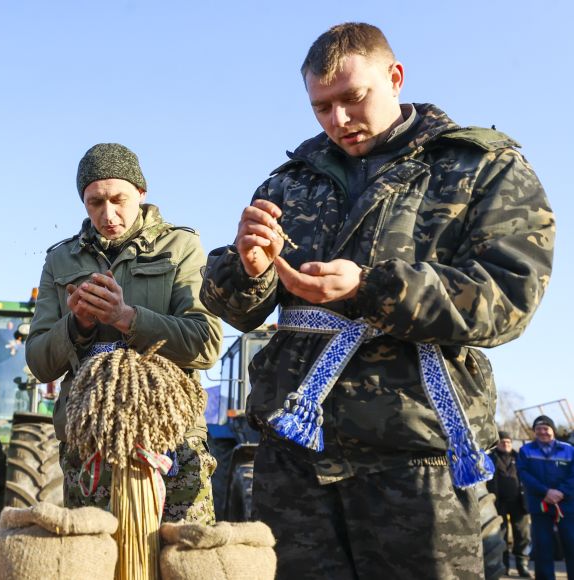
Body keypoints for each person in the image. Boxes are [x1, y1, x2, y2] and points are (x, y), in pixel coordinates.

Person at [200, 22, 555, 579]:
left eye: (352, 98)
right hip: (294, 460)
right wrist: (248, 268)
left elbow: (509, 297)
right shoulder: (289, 182)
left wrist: (370, 288)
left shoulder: (480, 166)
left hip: (415, 459)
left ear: (395, 77)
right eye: (321, 107)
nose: (338, 120)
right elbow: (238, 310)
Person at [26, 143, 223, 524]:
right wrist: (76, 325)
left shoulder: (180, 246)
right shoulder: (60, 260)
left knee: (181, 558)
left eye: (119, 199)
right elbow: (39, 363)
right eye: (94, 202)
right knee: (95, 560)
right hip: (89, 443)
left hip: (170, 440)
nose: (108, 213)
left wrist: (126, 317)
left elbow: (206, 343)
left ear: (142, 193)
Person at [518, 415, 574, 579]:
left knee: (572, 545)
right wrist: (545, 492)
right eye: (538, 429)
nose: (542, 432)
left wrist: (561, 492)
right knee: (543, 547)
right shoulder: (526, 451)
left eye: (546, 428)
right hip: (540, 505)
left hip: (567, 506)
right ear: (534, 432)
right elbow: (523, 474)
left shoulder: (569, 450)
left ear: (553, 430)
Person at [488, 431, 532, 577]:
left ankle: (522, 565)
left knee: (523, 536)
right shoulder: (490, 458)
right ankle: (503, 565)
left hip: (519, 503)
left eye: (508, 442)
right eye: (502, 441)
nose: (505, 444)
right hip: (498, 504)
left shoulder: (520, 457)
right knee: (501, 536)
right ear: (497, 443)